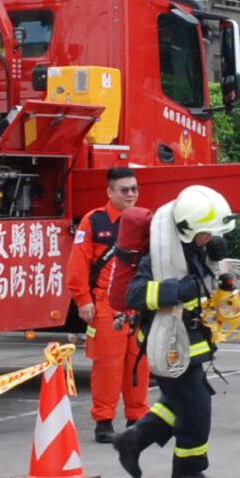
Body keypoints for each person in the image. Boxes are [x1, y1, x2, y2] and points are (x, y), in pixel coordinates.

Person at [111, 184, 238, 478]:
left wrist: (216, 265)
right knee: (196, 409)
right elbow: (135, 293)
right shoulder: (160, 256)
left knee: (182, 402)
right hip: (167, 342)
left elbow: (203, 282)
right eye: (205, 233)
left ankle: (133, 439)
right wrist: (175, 290)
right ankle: (187, 472)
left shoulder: (194, 250)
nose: (209, 238)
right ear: (188, 229)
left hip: (191, 340)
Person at [68, 166, 146, 443]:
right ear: (109, 192)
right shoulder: (94, 221)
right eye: (124, 190)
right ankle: (104, 421)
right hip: (105, 304)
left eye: (134, 189)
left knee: (139, 363)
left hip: (139, 305)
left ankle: (137, 418)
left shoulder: (146, 221)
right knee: (107, 366)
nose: (130, 194)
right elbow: (78, 262)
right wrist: (83, 300)